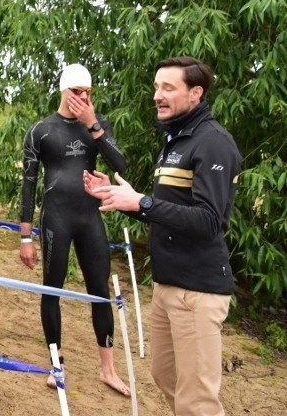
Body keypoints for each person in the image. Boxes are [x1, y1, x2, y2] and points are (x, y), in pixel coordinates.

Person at [85, 56, 241, 416]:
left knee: (198, 400)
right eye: (156, 87)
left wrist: (142, 201)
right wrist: (121, 198)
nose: (158, 95)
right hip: (168, 284)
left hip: (198, 290)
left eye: (168, 87)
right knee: (165, 377)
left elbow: (208, 221)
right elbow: (167, 211)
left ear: (195, 93)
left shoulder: (212, 143)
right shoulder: (177, 140)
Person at [18, 62, 129, 395]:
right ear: (64, 91)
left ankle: (108, 369)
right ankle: (56, 364)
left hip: (89, 218)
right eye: (77, 91)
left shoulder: (97, 124)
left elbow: (120, 165)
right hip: (56, 218)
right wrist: (25, 236)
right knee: (52, 289)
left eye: (88, 92)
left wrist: (93, 124)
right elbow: (28, 184)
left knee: (100, 292)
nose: (82, 97)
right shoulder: (41, 130)